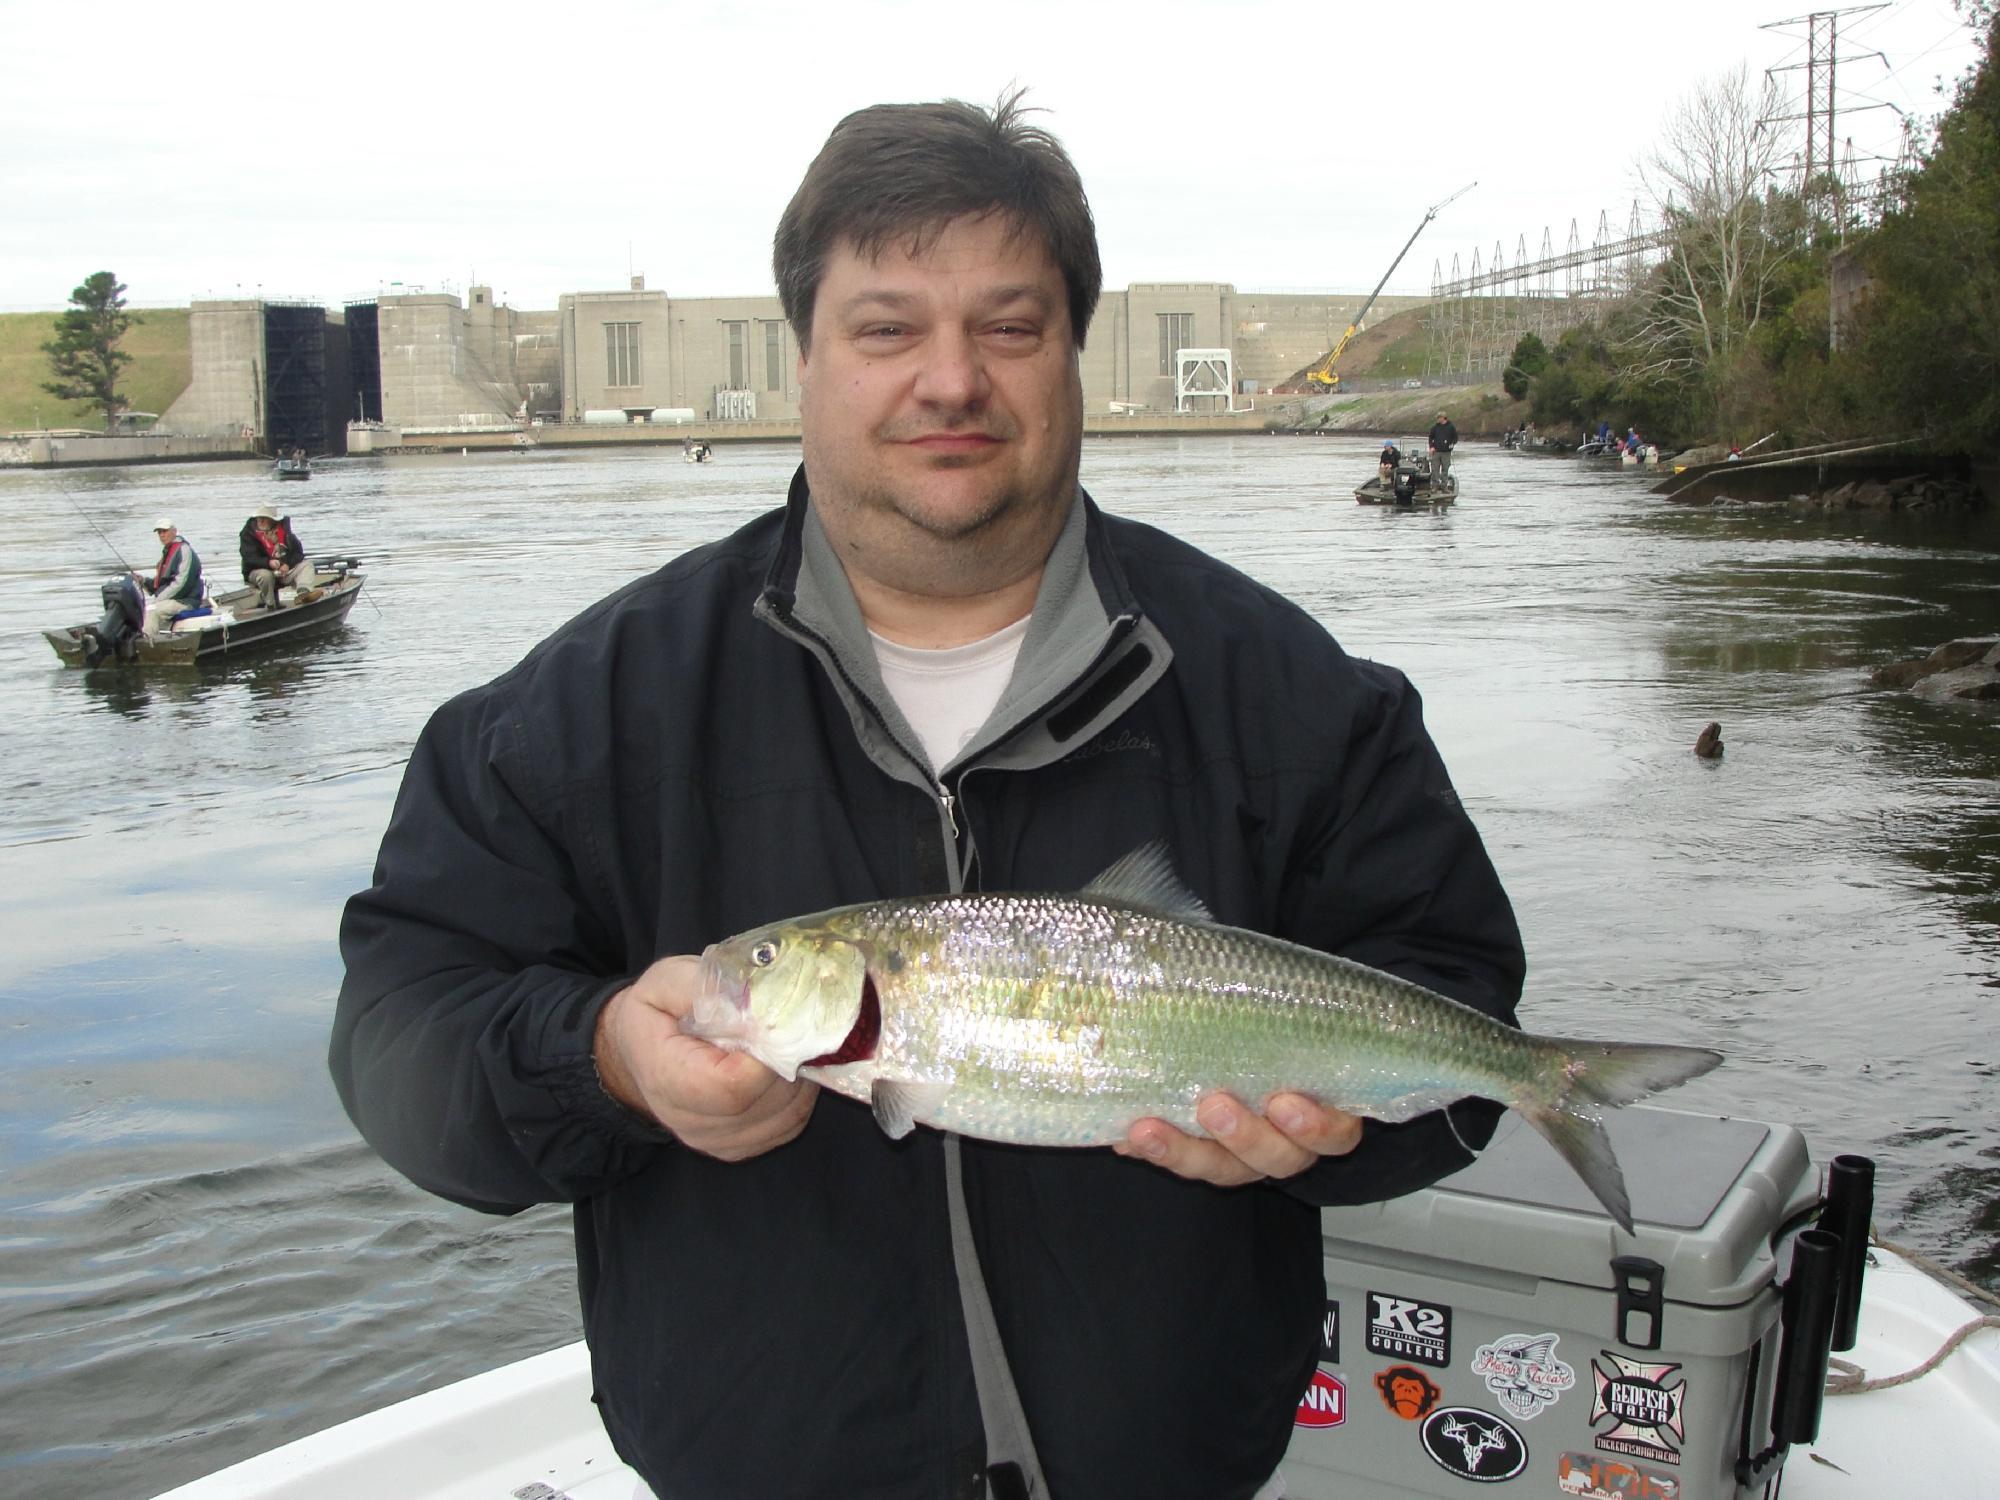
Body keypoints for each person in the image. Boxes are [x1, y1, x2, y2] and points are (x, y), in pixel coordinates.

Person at [332, 91, 1525, 1500]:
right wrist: (600, 1060)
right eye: (888, 328)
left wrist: (1336, 1140)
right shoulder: (580, 714)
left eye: (1008, 328)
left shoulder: (1298, 696)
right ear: (805, 359)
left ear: (1071, 352)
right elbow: (400, 1030)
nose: (950, 382)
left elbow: (1457, 1016)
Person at [238, 502, 314, 609]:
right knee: (266, 576)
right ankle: (270, 604)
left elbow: (298, 553)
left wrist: (287, 564)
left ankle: (304, 593)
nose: (261, 521)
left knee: (307, 565)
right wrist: (268, 563)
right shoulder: (247, 534)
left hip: (284, 571)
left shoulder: (285, 531)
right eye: (259, 518)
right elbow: (249, 558)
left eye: (265, 518)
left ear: (273, 520)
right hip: (258, 571)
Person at [137, 517, 203, 638]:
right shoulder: (168, 552)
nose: (162, 535)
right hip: (170, 600)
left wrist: (157, 600)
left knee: (152, 611)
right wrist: (143, 581)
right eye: (159, 532)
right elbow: (160, 584)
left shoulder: (184, 550)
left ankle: (146, 643)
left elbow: (181, 583)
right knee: (141, 610)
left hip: (185, 601)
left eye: (165, 531)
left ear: (174, 531)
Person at [1428, 409, 1459, 491]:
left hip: (1446, 452)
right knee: (1435, 469)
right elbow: (1430, 437)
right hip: (1436, 451)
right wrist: (1431, 447)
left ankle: (1444, 486)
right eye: (1438, 418)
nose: (1438, 419)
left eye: (1439, 417)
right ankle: (1435, 486)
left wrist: (1452, 444)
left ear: (1444, 418)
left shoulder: (1451, 427)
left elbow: (1455, 438)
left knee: (1445, 469)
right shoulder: (1435, 427)